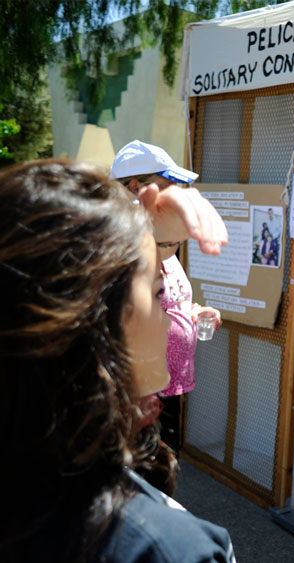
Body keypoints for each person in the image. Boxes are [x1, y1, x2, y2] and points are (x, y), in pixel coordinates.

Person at [0, 160, 236, 562]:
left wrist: (144, 240)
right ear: (98, 320)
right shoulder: (168, 549)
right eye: (156, 291)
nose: (168, 314)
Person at [111, 140, 223, 455]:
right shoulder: (120, 247)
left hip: (169, 385)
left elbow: (171, 301)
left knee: (164, 467)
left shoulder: (162, 241)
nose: (176, 193)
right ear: (134, 188)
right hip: (138, 391)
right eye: (167, 184)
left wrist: (196, 312)